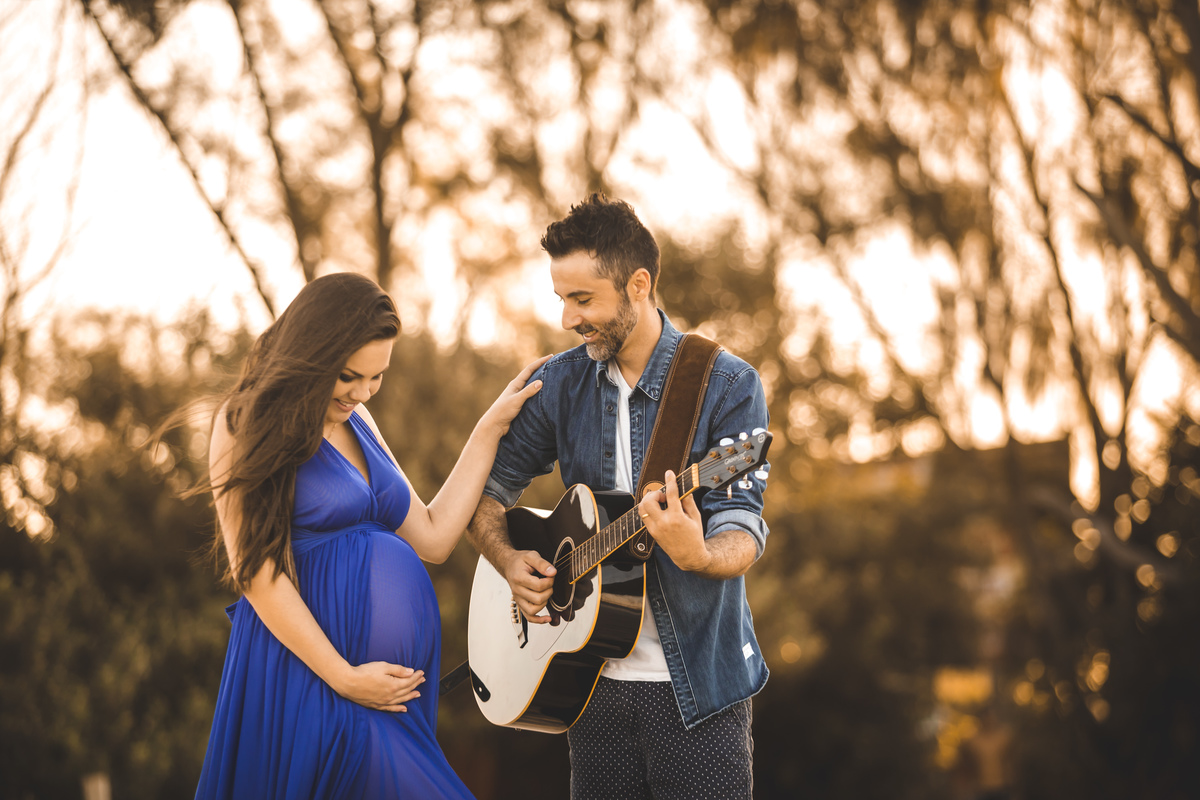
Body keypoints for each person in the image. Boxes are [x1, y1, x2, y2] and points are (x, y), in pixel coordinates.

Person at [192, 271, 546, 799]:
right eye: (348, 376)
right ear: (312, 354)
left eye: (376, 378)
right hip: (313, 677)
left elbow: (432, 537)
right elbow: (256, 573)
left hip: (382, 695)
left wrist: (488, 428)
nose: (361, 392)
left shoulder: (358, 419)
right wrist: (343, 676)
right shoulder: (243, 421)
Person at [466, 194, 771, 800]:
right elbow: (485, 495)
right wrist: (508, 561)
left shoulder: (727, 383)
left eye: (583, 300)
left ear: (638, 285)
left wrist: (700, 556)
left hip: (700, 692)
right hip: (588, 682)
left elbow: (742, 524)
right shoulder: (557, 382)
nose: (568, 320)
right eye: (561, 299)